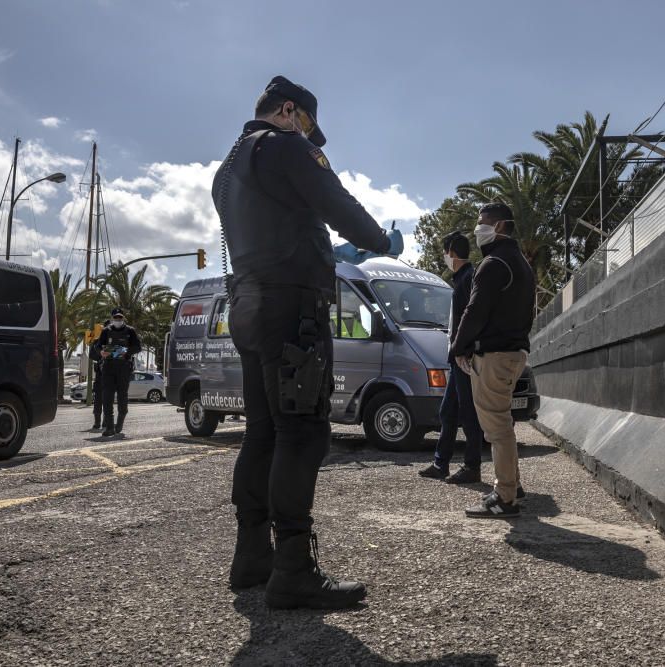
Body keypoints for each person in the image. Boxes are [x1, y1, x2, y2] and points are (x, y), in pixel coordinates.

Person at [211, 75, 403, 609]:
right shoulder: (285, 146)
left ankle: (252, 555)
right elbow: (335, 202)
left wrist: (328, 253)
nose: (309, 136)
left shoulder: (228, 169)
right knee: (303, 433)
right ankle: (293, 568)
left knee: (263, 434)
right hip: (293, 308)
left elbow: (276, 226)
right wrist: (377, 240)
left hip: (251, 308)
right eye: (307, 125)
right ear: (288, 110)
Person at [450, 203, 535, 519]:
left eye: (482, 222)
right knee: (504, 425)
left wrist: (458, 348)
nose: (477, 228)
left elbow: (474, 312)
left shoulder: (493, 263)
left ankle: (505, 498)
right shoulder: (521, 264)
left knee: (496, 429)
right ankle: (511, 487)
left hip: (494, 356)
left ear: (499, 226)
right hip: (514, 353)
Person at [419, 231, 485, 484]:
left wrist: (463, 351)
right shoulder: (462, 279)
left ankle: (472, 466)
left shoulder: (467, 279)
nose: (445, 257)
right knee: (448, 412)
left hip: (463, 358)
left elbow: (472, 319)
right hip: (456, 357)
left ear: (452, 253)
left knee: (468, 413)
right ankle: (441, 463)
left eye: (445, 252)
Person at [97, 307, 142, 437]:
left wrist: (126, 351)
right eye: (116, 317)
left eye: (120, 317)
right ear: (112, 318)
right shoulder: (106, 331)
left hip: (123, 367)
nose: (118, 320)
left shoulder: (130, 331)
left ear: (123, 318)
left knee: (122, 397)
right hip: (108, 367)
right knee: (107, 397)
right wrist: (101, 352)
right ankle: (109, 427)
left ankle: (120, 422)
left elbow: (138, 347)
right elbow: (98, 345)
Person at [90, 319, 110, 431]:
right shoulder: (98, 341)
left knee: (108, 400)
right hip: (100, 375)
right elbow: (92, 355)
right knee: (98, 400)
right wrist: (101, 354)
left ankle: (106, 422)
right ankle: (97, 422)